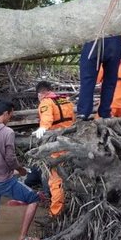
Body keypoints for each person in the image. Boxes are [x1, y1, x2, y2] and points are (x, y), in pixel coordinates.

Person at [0, 100, 41, 240]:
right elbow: (10, 158)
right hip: (3, 180)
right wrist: (20, 170)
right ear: (6, 113)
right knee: (34, 199)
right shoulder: (7, 132)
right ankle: (22, 239)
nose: (10, 119)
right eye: (11, 115)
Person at [77, 0, 121, 120]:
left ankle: (83, 113)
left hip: (94, 38)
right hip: (115, 39)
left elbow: (85, 22)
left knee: (88, 79)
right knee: (110, 80)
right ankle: (104, 113)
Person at [32, 81, 76, 216]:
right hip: (70, 142)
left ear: (41, 94)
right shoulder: (66, 101)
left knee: (55, 180)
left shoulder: (46, 102)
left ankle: (55, 213)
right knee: (67, 176)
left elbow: (47, 118)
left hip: (56, 145)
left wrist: (42, 128)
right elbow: (72, 121)